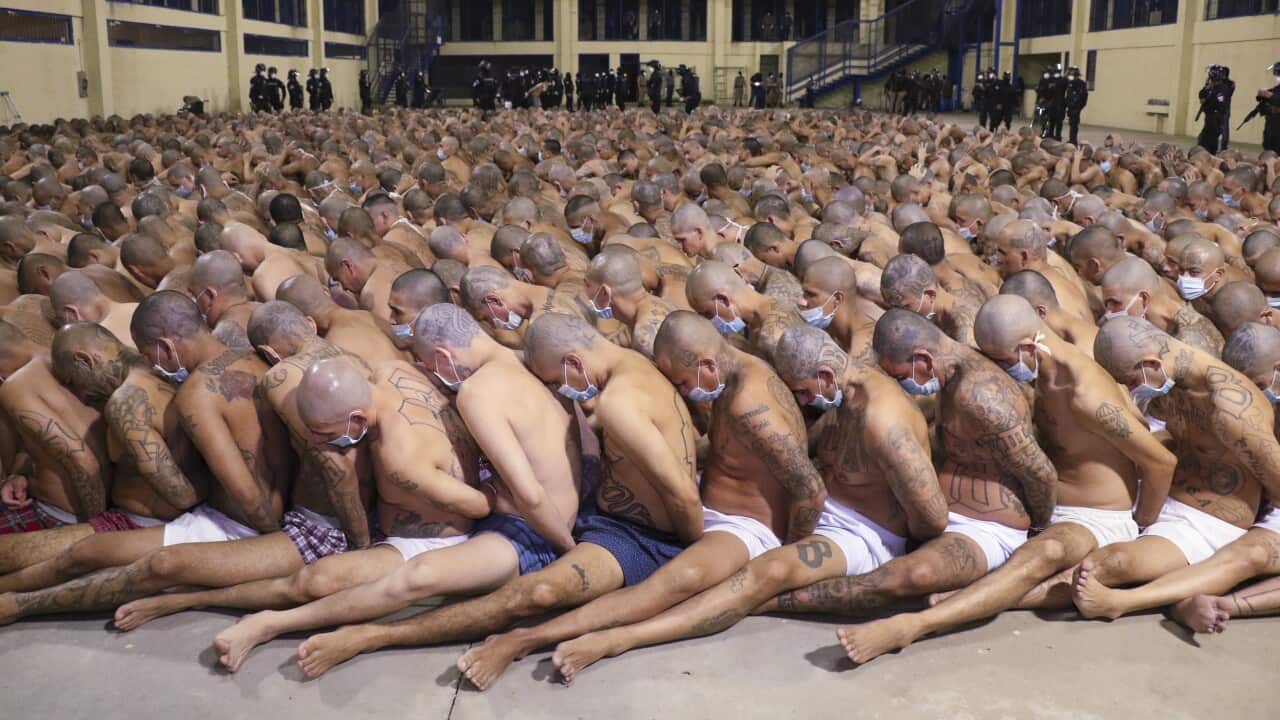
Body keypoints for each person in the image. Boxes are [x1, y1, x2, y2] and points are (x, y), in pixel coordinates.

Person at [830, 296, 1175, 662]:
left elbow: (1160, 462)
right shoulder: (1036, 369)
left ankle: (914, 626)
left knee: (1046, 553)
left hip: (1092, 514)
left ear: (1028, 347)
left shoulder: (1085, 394)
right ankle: (980, 592)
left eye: (1003, 361)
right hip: (1045, 505)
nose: (997, 370)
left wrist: (1142, 524)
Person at [1063, 317, 1280, 623]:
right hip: (1167, 497)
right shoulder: (1173, 383)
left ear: (1151, 363)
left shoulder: (1232, 410)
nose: (1130, 390)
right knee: (1064, 549)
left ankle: (1124, 602)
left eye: (1130, 381)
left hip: (1207, 519)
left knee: (1109, 565)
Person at [1198, 65, 1232, 154]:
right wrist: (1207, 89)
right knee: (1204, 139)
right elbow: (1201, 94)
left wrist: (1207, 101)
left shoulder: (1222, 89)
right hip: (1209, 117)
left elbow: (1220, 103)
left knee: (1209, 140)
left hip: (1216, 118)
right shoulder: (1211, 87)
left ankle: (1210, 156)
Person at [1064, 66, 1088, 146]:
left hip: (1076, 107)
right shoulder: (1070, 83)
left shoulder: (1080, 83)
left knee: (1074, 124)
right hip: (1070, 107)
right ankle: (1071, 139)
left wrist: (1077, 106)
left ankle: (1073, 140)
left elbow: (1082, 97)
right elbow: (1068, 95)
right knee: (1071, 123)